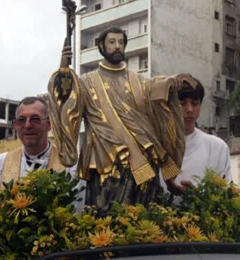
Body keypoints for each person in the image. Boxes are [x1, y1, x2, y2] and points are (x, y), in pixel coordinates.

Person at [48, 26, 196, 215]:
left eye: (120, 42)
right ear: (101, 46)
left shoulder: (140, 82)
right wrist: (64, 71)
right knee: (106, 222)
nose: (117, 46)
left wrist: (171, 84)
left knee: (146, 222)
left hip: (144, 162)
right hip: (106, 164)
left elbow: (159, 95)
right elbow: (67, 101)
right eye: (111, 42)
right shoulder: (86, 82)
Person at [0, 96, 84, 224]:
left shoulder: (70, 165)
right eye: (21, 119)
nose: (27, 125)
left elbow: (79, 213)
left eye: (35, 119)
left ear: (49, 124)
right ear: (15, 125)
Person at [171, 77, 232, 191]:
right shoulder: (156, 148)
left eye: (195, 103)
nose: (189, 109)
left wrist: (198, 197)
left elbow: (226, 195)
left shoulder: (217, 147)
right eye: (182, 103)